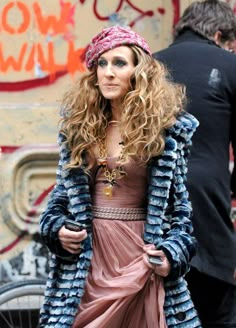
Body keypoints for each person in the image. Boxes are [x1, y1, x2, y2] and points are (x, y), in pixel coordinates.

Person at [39, 25, 201, 328]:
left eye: (119, 63)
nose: (108, 73)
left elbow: (181, 214)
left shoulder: (165, 134)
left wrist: (170, 255)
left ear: (139, 73)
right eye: (102, 63)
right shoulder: (80, 129)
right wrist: (58, 230)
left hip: (141, 259)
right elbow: (58, 203)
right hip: (89, 260)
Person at [153, 1, 236, 327]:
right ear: (218, 35)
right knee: (219, 311)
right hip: (208, 208)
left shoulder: (147, 65)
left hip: (154, 208)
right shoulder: (229, 65)